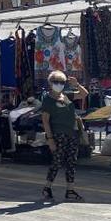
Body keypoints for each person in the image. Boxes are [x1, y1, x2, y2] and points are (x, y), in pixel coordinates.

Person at [41, 71, 88, 202]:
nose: (59, 85)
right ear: (50, 83)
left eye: (62, 82)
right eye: (56, 82)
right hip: (58, 134)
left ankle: (70, 189)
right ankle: (47, 186)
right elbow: (45, 120)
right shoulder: (48, 100)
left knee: (71, 162)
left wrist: (77, 84)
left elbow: (84, 94)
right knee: (57, 161)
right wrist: (50, 139)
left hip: (72, 133)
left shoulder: (67, 95)